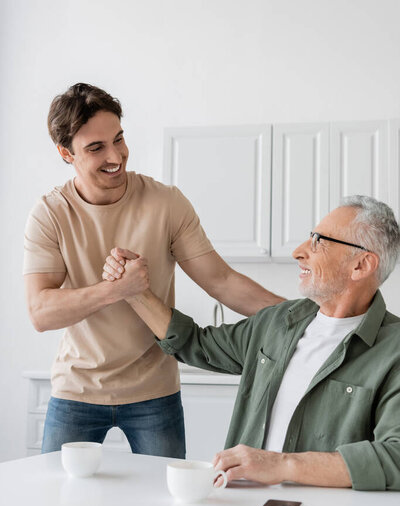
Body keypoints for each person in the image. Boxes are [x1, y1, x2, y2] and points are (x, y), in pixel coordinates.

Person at [23, 82, 284, 458]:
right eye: (96, 148)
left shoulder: (166, 203)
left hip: (154, 393)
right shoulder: (50, 214)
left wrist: (303, 318)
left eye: (119, 139)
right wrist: (117, 289)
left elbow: (223, 281)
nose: (116, 155)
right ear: (66, 153)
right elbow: (40, 313)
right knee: (58, 500)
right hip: (76, 391)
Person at [103, 195, 400, 490]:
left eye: (319, 242)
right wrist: (135, 292)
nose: (298, 252)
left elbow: (395, 457)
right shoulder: (279, 321)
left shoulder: (393, 350)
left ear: (361, 265)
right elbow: (196, 343)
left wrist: (282, 465)